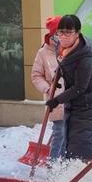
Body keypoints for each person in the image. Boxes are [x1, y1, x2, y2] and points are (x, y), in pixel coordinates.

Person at [45, 15, 92, 182]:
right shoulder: (63, 49)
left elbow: (81, 87)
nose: (64, 36)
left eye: (68, 32)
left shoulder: (84, 56)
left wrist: (57, 99)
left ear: (77, 33)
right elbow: (65, 68)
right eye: (61, 32)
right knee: (73, 145)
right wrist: (59, 75)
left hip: (89, 104)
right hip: (76, 104)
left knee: (82, 146)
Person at [31, 16, 66, 160]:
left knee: (71, 136)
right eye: (58, 33)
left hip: (73, 99)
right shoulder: (43, 52)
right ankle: (53, 168)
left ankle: (66, 169)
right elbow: (36, 75)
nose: (61, 37)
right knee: (59, 134)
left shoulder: (71, 49)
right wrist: (48, 89)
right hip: (56, 100)